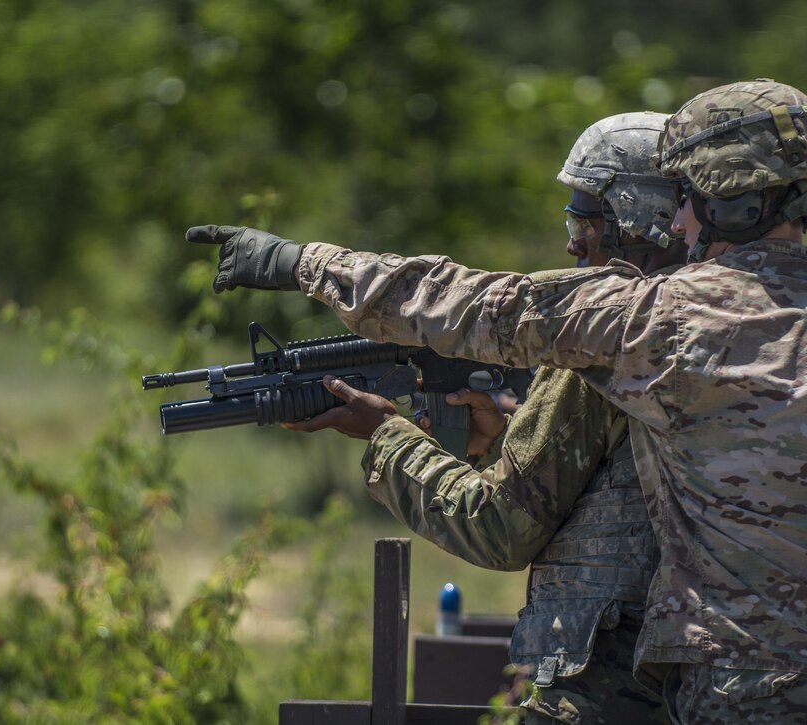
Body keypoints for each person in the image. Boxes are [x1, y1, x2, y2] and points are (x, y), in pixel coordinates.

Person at [186, 80, 807, 723]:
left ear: (727, 205)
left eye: (689, 197)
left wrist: (299, 261)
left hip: (744, 682)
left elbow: (469, 304)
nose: (677, 216)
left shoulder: (659, 319)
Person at [288, 112, 684, 725]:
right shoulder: (757, 325)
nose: (572, 244)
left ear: (643, 221)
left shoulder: (612, 340)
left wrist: (386, 436)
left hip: (616, 692)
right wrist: (510, 437)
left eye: (586, 222)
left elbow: (498, 528)